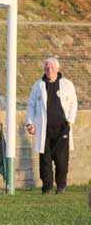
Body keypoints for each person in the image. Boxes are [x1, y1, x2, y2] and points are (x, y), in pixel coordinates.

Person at [26, 57, 78, 195]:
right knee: (45, 160)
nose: (50, 70)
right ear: (44, 70)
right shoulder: (38, 85)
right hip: (44, 130)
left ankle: (61, 186)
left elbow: (74, 103)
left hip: (62, 129)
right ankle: (47, 187)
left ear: (57, 69)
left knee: (62, 160)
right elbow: (31, 104)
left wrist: (69, 122)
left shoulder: (67, 84)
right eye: (47, 68)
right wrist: (30, 123)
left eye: (52, 67)